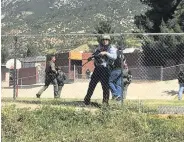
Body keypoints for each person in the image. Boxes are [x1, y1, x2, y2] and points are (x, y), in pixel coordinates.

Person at [84, 34, 117, 105]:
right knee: (92, 84)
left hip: (105, 69)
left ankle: (105, 102)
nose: (105, 41)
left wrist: (105, 53)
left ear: (109, 41)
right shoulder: (99, 47)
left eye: (106, 40)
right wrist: (92, 57)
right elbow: (95, 54)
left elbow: (114, 57)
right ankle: (87, 99)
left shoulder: (111, 48)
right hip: (97, 68)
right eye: (103, 40)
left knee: (105, 86)